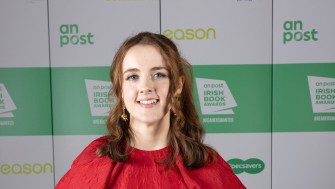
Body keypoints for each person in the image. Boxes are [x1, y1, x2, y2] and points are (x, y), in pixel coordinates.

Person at [55, 32, 246, 189]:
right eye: (132, 77)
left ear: (178, 85)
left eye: (158, 74)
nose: (146, 87)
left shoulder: (205, 163)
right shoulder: (95, 161)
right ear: (120, 89)